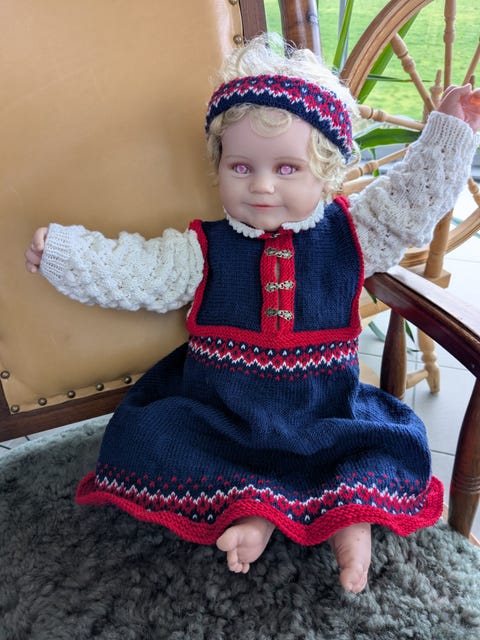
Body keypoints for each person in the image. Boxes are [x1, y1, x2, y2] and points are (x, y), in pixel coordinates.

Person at [25, 35, 480, 593]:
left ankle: (350, 525)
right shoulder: (203, 248)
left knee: (369, 454)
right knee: (164, 442)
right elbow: (137, 270)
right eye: (241, 166)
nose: (261, 186)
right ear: (218, 167)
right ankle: (254, 516)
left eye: (287, 168)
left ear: (326, 175)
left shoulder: (353, 233)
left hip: (325, 414)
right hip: (224, 417)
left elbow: (411, 203)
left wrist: (450, 131)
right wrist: (65, 253)